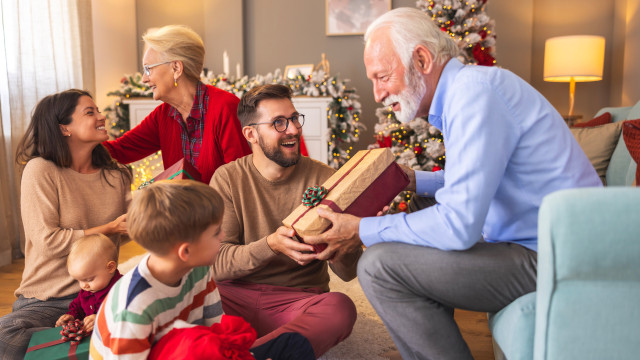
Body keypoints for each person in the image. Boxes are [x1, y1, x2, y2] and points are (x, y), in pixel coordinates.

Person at [303, 8, 603, 360]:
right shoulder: (471, 89)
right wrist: (414, 180)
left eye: (382, 77)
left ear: (421, 59)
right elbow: (473, 181)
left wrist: (362, 229)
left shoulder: (476, 95)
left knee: (379, 266)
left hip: (557, 258)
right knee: (419, 204)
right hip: (542, 245)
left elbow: (459, 225)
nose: (377, 94)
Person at [209, 84, 360, 358]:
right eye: (278, 122)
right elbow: (217, 264)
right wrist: (270, 245)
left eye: (293, 119)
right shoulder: (227, 178)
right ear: (251, 134)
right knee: (186, 290)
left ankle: (251, 353)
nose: (292, 130)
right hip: (233, 296)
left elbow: (348, 274)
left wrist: (349, 239)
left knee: (340, 307)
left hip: (296, 301)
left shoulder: (327, 179)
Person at [89, 180, 314, 360]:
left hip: (192, 349)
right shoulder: (133, 310)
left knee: (294, 345)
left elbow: (216, 330)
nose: (224, 237)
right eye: (216, 233)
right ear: (185, 251)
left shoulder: (199, 269)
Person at [0, 89, 131, 359]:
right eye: (90, 112)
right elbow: (48, 241)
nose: (101, 116)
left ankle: (76, 335)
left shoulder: (115, 174)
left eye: (98, 110)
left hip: (101, 292)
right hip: (48, 298)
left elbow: (127, 231)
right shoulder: (40, 170)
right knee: (6, 336)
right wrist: (108, 228)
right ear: (64, 128)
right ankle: (77, 335)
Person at [103, 25, 251, 184]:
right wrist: (79, 138)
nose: (144, 79)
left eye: (148, 69)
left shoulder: (225, 107)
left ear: (176, 68)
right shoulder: (162, 115)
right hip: (183, 208)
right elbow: (119, 151)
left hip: (223, 208)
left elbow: (239, 181)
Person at [55, 234, 123, 333]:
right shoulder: (87, 291)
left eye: (89, 279)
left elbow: (125, 313)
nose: (83, 285)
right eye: (79, 280)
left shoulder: (122, 288)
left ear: (110, 267)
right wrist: (71, 316)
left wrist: (101, 319)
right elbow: (77, 307)